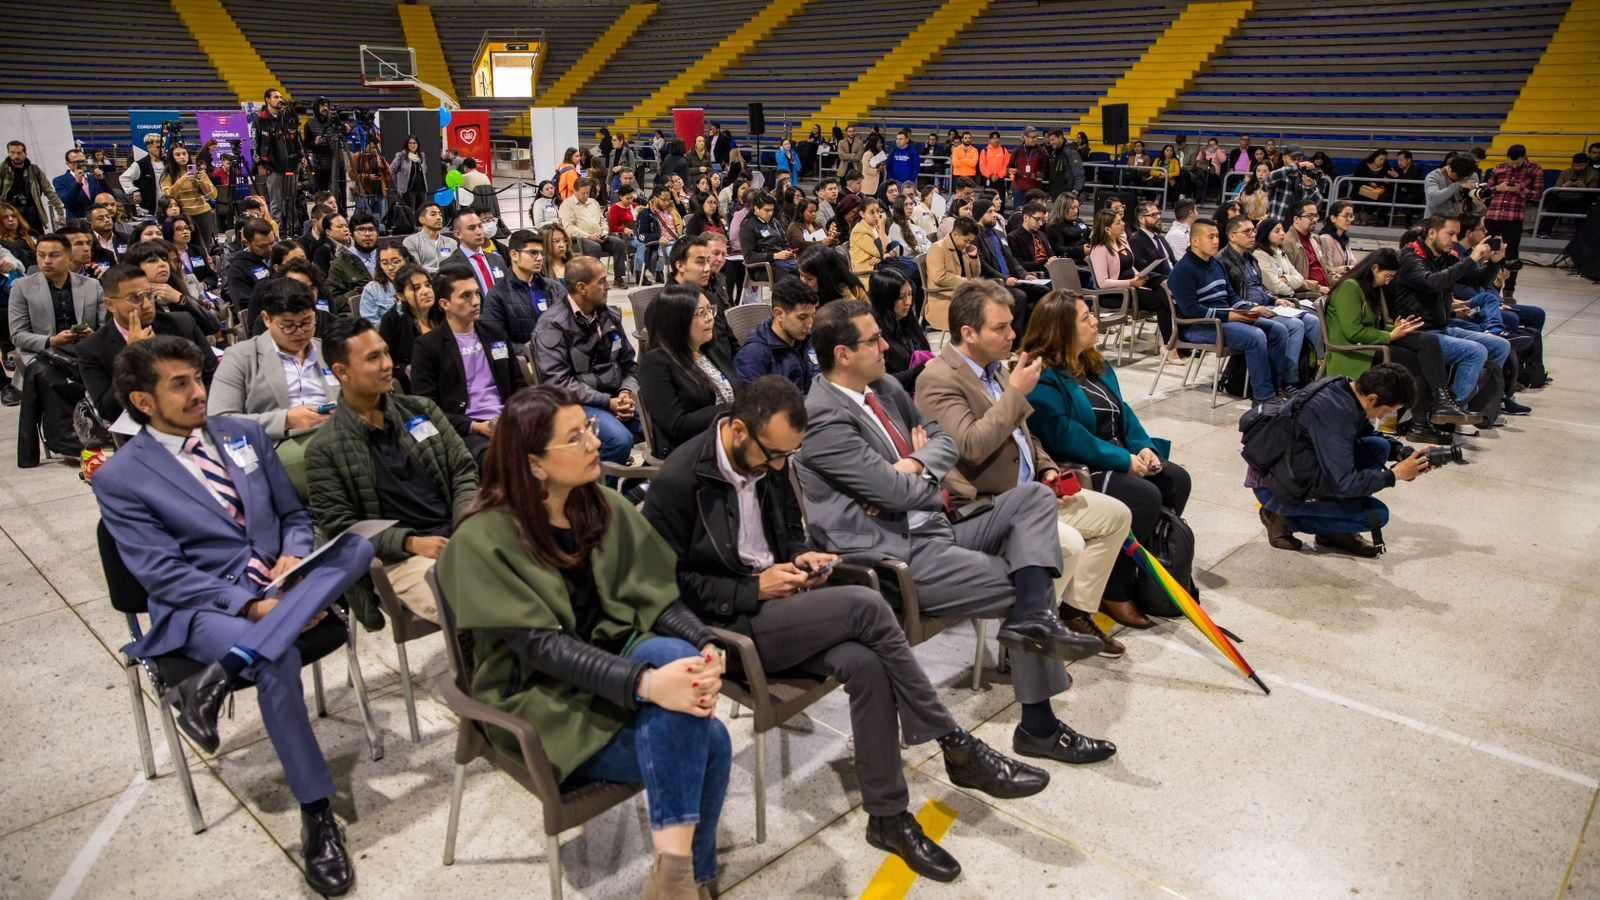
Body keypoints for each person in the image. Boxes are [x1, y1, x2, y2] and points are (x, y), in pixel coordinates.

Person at [644, 375, 1048, 883]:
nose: (778, 467)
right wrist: (754, 589)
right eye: (772, 455)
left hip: (784, 605)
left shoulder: (773, 459)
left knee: (866, 661)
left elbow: (790, 527)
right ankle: (954, 742)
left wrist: (800, 555)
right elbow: (665, 589)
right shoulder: (680, 480)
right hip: (732, 626)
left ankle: (887, 816)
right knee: (865, 605)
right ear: (739, 431)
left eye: (787, 457)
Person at [95, 335, 370, 896]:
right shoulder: (121, 478)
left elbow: (294, 514)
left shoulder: (241, 433)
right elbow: (161, 575)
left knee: (360, 546)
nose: (200, 392)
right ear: (143, 402)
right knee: (280, 657)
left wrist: (294, 556)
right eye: (182, 384)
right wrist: (252, 604)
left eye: (199, 378)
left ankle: (222, 675)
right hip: (203, 606)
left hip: (278, 581)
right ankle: (317, 815)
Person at [437, 384, 730, 897]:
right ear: (534, 465)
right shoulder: (482, 540)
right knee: (711, 741)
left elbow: (656, 597)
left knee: (679, 659)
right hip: (540, 699)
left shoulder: (598, 508)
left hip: (612, 658)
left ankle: (677, 876)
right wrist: (644, 685)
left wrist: (703, 641)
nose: (595, 443)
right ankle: (688, 878)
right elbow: (543, 650)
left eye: (589, 429)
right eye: (575, 438)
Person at [797, 299, 1117, 763]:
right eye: (873, 340)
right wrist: (909, 476)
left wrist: (912, 465)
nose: (887, 345)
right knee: (1030, 584)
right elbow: (900, 493)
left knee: (1033, 499)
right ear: (843, 354)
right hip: (893, 556)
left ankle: (1035, 631)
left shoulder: (883, 387)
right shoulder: (823, 419)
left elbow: (942, 441)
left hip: (935, 526)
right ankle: (1039, 726)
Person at [917, 280, 1138, 651]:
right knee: (1067, 542)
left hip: (1034, 491)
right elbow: (969, 446)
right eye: (1000, 328)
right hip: (989, 506)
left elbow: (1025, 435)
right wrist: (1016, 393)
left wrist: (1048, 468)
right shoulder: (938, 380)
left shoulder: (997, 369)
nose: (1012, 334)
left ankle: (1073, 612)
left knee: (1116, 515)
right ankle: (1026, 641)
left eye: (1010, 325)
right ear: (968, 333)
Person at [1022, 291, 1192, 632]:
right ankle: (1114, 589)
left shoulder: (1092, 362)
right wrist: (1124, 460)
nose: (1095, 321)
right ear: (1061, 329)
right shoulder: (1043, 378)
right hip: (1080, 466)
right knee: (1144, 496)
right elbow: (1067, 437)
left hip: (1117, 453)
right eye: (1085, 318)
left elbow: (1124, 413)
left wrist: (1144, 450)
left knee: (1175, 479)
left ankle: (1148, 572)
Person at [306, 317, 477, 625]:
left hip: (460, 532)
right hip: (402, 558)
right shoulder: (325, 448)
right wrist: (408, 542)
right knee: (477, 605)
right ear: (341, 372)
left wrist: (464, 520)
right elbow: (342, 528)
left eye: (385, 352)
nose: (387, 364)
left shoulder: (421, 409)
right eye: (373, 358)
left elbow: (463, 470)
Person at [1254, 365, 1432, 557]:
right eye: (1387, 410)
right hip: (1277, 488)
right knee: (1376, 515)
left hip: (1290, 468)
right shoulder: (1335, 415)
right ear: (1372, 399)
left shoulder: (1343, 389)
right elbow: (1345, 484)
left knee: (1379, 446)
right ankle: (1281, 518)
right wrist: (1395, 475)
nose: (1384, 417)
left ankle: (1332, 534)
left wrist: (1402, 452)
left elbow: (1365, 434)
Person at [1322, 248, 1480, 433]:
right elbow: (1353, 332)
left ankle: (1440, 404)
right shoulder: (1349, 288)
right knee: (1414, 361)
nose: (1389, 281)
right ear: (1374, 268)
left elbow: (1373, 326)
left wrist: (1399, 329)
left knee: (1427, 341)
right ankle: (1423, 421)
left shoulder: (1371, 289)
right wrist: (1389, 335)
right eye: (1388, 275)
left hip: (1372, 343)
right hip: (1354, 350)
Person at [208, 277, 337, 492]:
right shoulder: (242, 357)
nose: (299, 332)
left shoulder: (327, 351)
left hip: (338, 433)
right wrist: (286, 420)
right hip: (279, 445)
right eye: (288, 326)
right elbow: (219, 422)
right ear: (267, 319)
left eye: (306, 323)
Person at [1390, 215, 1518, 417]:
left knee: (1500, 345)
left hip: (1441, 326)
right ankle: (1451, 410)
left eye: (1456, 234)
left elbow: (1476, 279)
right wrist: (1472, 259)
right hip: (1416, 331)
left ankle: (1478, 400)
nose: (1455, 239)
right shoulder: (1410, 257)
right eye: (1450, 234)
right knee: (1475, 351)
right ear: (1432, 233)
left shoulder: (1444, 256)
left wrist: (1494, 263)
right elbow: (1433, 282)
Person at [1168, 220, 1293, 401]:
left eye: (1217, 236)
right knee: (1255, 336)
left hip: (1225, 318)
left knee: (1278, 330)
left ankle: (1275, 387)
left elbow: (1232, 297)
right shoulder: (1183, 270)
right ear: (1195, 241)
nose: (1216, 241)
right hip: (1199, 326)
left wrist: (1251, 308)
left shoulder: (1216, 264)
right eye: (1210, 237)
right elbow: (1191, 310)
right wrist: (1230, 315)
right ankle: (1264, 397)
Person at [411, 266, 525, 465]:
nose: (475, 301)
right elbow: (427, 407)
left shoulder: (494, 333)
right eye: (465, 296)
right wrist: (474, 426)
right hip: (467, 430)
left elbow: (518, 384)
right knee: (504, 458)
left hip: (509, 418)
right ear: (445, 304)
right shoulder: (428, 346)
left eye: (477, 293)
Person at [533, 256, 641, 463]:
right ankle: (594, 489)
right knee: (619, 440)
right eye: (601, 281)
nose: (608, 286)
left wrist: (626, 392)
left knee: (662, 424)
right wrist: (608, 402)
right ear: (582, 288)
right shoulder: (552, 325)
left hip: (615, 396)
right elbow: (559, 383)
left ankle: (633, 486)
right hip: (577, 403)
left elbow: (629, 364)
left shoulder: (609, 316)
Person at [78, 263, 214, 423]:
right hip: (140, 426)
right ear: (110, 304)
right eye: (135, 298)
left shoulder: (182, 324)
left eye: (149, 295)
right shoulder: (92, 348)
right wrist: (130, 355)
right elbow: (108, 411)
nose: (147, 304)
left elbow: (212, 376)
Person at [636, 285, 736, 458]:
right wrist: (733, 409)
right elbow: (677, 426)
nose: (710, 318)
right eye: (701, 313)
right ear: (677, 321)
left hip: (726, 438)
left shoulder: (709, 349)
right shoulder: (655, 363)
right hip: (691, 453)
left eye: (710, 310)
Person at [1218, 215, 1315, 381]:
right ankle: (1287, 379)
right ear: (1232, 236)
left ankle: (1312, 372)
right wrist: (1252, 307)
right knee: (1295, 325)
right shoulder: (1223, 261)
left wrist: (1274, 300)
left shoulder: (1250, 258)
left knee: (1311, 320)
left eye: (1253, 231)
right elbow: (1230, 296)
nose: (1252, 235)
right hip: (1245, 310)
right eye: (1246, 231)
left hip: (1266, 305)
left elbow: (1260, 287)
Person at [7, 232, 106, 370]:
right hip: (42, 355)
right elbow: (17, 335)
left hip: (86, 352)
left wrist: (92, 336)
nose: (46, 261)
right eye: (41, 255)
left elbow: (106, 329)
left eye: (54, 255)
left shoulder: (92, 285)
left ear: (69, 257)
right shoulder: (21, 287)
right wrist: (52, 340)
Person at [481, 228, 569, 349]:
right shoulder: (497, 295)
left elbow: (570, 324)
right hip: (525, 362)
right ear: (514, 255)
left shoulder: (554, 288)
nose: (539, 258)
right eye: (533, 253)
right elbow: (495, 339)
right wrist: (528, 352)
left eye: (541, 253)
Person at [1091, 205, 1169, 342]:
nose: (1123, 223)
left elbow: (1131, 267)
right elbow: (1102, 283)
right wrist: (1131, 283)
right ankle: (1169, 347)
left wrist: (1139, 276)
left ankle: (1174, 341)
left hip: (1133, 286)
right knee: (1161, 301)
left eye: (1121, 220)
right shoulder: (1099, 249)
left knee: (1165, 289)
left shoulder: (1122, 241)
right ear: (1107, 229)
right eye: (1118, 222)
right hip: (1116, 294)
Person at [733, 277, 819, 393]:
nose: (809, 325)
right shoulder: (753, 356)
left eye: (813, 316)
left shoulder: (807, 338)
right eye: (802, 317)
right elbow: (754, 406)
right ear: (779, 314)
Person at [1481, 144, 1542, 301]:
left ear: (1523, 157)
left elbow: (1538, 195)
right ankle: (1487, 287)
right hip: (1493, 214)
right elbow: (1485, 191)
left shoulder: (1534, 170)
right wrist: (1498, 188)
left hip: (1513, 217)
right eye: (1510, 162)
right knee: (1488, 251)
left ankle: (1508, 291)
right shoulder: (1499, 167)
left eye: (1516, 162)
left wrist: (1520, 190)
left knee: (1511, 256)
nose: (1513, 165)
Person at [378, 264, 442, 393]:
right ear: (401, 296)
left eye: (428, 285)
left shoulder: (443, 311)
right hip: (416, 386)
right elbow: (387, 361)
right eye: (416, 288)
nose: (425, 291)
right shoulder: (392, 320)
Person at [870, 267, 932, 394]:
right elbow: (880, 383)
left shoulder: (907, 321)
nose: (908, 302)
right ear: (886, 299)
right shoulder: (875, 334)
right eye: (901, 297)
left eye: (910, 294)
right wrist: (921, 369)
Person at [559, 178, 630, 279]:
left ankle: (619, 278)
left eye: (588, 192)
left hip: (599, 236)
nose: (586, 196)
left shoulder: (593, 202)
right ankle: (596, 278)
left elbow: (602, 220)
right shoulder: (567, 205)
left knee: (618, 243)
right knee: (595, 247)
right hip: (580, 239)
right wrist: (589, 236)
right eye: (583, 193)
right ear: (575, 191)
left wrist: (604, 231)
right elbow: (569, 228)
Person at [253, 89, 303, 228]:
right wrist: (259, 164)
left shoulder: (287, 117)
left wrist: (301, 157)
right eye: (276, 97)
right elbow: (255, 142)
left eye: (281, 97)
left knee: (291, 200)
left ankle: (294, 228)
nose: (280, 99)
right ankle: (278, 230)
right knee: (276, 203)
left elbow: (297, 140)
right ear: (267, 100)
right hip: (272, 166)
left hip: (291, 164)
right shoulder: (260, 119)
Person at [158, 145, 219, 250]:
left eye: (184, 154)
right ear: (172, 157)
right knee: (186, 247)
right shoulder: (168, 174)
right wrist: (181, 180)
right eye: (178, 155)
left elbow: (213, 195)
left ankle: (205, 265)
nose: (182, 157)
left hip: (203, 213)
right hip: (183, 217)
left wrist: (203, 181)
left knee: (205, 247)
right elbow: (168, 195)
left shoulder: (199, 171)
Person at [3, 141, 65, 234]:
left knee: (37, 239)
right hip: (10, 214)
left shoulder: (34, 170)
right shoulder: (2, 171)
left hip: (32, 213)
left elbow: (49, 191)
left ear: (25, 153)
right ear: (8, 153)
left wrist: (60, 211)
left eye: (19, 153)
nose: (16, 156)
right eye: (12, 153)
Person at [325, 212, 381, 315]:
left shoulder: (388, 256)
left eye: (371, 229)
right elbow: (333, 302)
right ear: (351, 234)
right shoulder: (341, 263)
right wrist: (359, 292)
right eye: (361, 230)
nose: (367, 234)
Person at [448, 210, 509, 297]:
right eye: (472, 228)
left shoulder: (497, 259)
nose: (479, 232)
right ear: (458, 234)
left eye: (480, 226)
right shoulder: (451, 266)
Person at [357, 239, 413, 323]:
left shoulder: (419, 281)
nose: (390, 268)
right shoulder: (372, 289)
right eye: (385, 263)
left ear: (406, 260)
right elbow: (370, 325)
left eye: (395, 262)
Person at [53, 147, 106, 221]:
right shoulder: (60, 180)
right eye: (77, 162)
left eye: (83, 161)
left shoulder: (93, 177)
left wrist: (102, 180)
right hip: (77, 220)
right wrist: (77, 183)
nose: (81, 164)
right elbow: (67, 201)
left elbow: (107, 196)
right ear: (68, 164)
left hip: (97, 219)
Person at [402, 202, 458, 272]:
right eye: (433, 214)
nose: (439, 218)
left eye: (440, 215)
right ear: (422, 219)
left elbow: (456, 266)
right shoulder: (411, 241)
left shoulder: (451, 242)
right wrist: (441, 271)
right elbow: (416, 268)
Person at [1423, 155, 1479, 220]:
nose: (1461, 179)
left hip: (1459, 219)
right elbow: (1433, 200)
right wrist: (1458, 185)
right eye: (1458, 177)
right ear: (1449, 168)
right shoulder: (1433, 176)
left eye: (1463, 177)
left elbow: (1475, 197)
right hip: (1436, 220)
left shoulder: (1470, 175)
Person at [1007, 201, 1053, 276]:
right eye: (1037, 219)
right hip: (1030, 275)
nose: (1041, 224)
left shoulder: (1042, 234)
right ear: (1025, 217)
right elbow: (1018, 265)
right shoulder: (1013, 237)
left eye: (1042, 220)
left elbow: (1051, 255)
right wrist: (1044, 263)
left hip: (1049, 272)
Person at [390, 135, 428, 216]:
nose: (412, 145)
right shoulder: (401, 155)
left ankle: (420, 227)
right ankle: (412, 228)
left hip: (421, 188)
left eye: (414, 143)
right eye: (410, 143)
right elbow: (392, 170)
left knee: (422, 211)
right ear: (407, 144)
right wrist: (398, 185)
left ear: (417, 144)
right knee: (410, 212)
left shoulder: (421, 155)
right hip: (408, 189)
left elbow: (424, 170)